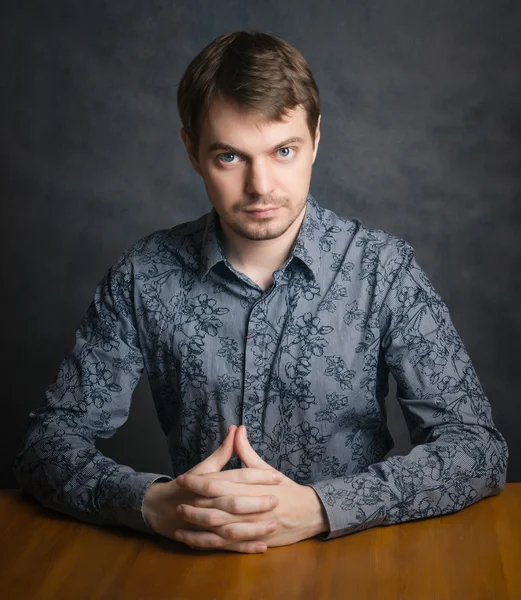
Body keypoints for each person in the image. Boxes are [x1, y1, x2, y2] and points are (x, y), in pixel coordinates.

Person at [14, 30, 508, 555]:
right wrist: (151, 503)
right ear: (192, 151)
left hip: (357, 565)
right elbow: (45, 447)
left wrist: (322, 508)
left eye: (284, 150)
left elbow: (477, 450)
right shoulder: (144, 274)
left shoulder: (384, 269)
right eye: (231, 157)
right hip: (195, 569)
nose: (261, 186)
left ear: (315, 139)